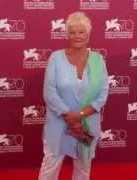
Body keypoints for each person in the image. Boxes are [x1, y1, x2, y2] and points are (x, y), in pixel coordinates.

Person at [39, 11, 109, 180]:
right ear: (67, 34)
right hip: (59, 123)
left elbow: (103, 93)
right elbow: (49, 92)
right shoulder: (56, 58)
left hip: (86, 123)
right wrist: (68, 115)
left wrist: (80, 116)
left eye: (81, 31)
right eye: (72, 32)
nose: (77, 36)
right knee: (51, 164)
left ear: (88, 33)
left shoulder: (98, 60)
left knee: (83, 166)